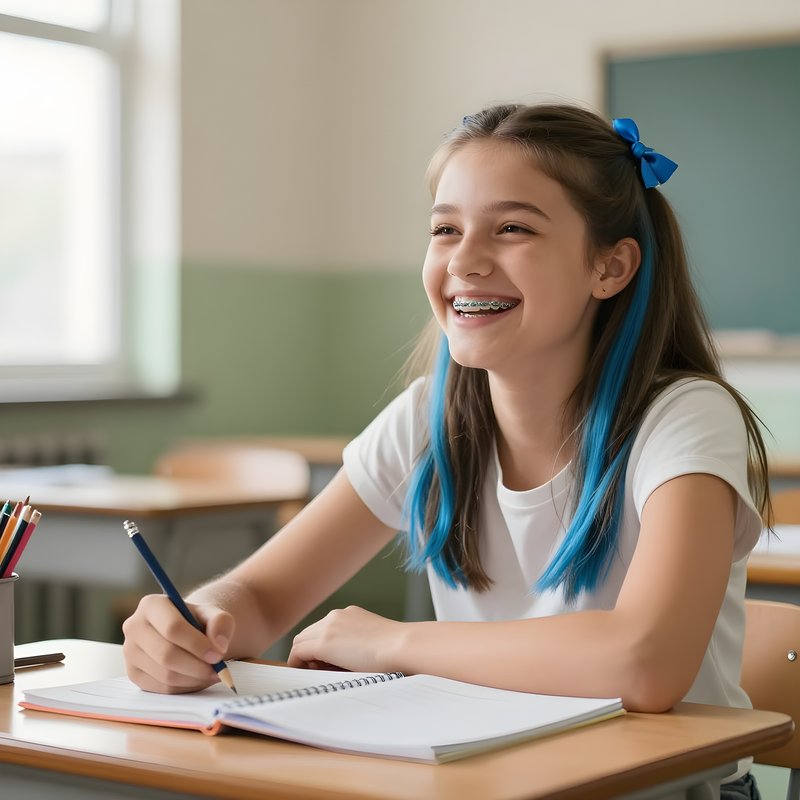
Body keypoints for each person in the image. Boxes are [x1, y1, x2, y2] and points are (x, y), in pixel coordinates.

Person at [123, 103, 770, 797]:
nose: (465, 259)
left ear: (610, 267)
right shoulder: (427, 421)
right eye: (444, 229)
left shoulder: (683, 418)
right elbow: (258, 594)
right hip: (493, 778)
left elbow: (646, 663)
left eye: (513, 228)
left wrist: (390, 645)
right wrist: (190, 623)